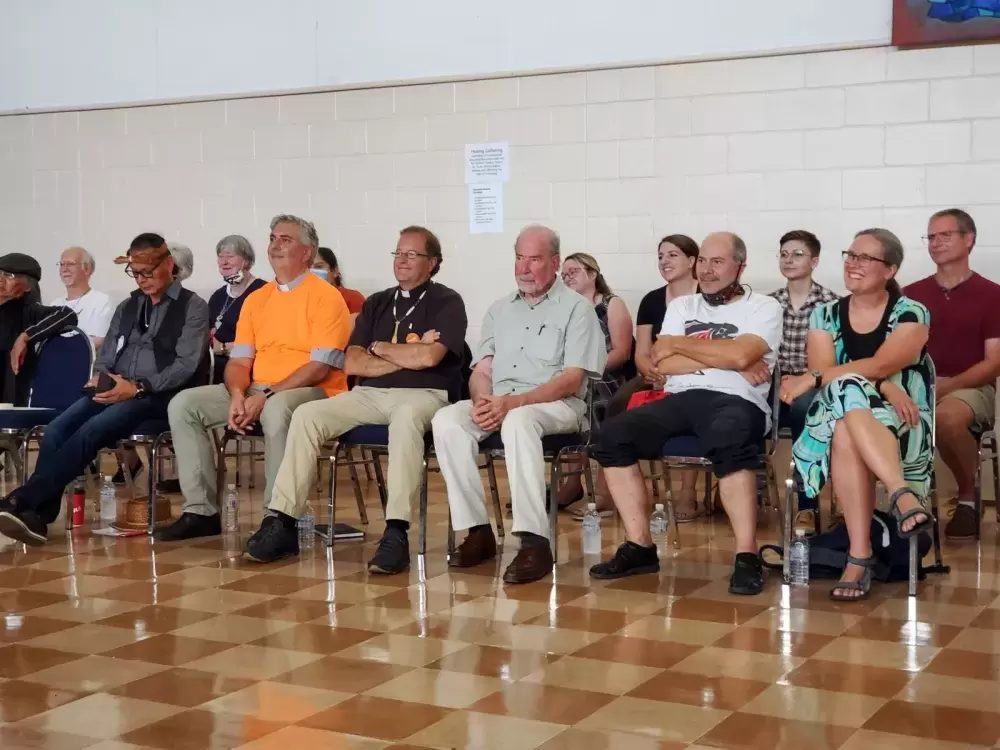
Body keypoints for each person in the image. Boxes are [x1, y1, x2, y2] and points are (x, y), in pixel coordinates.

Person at [243, 226, 467, 567]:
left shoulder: (447, 301)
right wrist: (405, 350)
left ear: (433, 263)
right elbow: (352, 361)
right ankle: (283, 521)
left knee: (406, 421)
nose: (402, 260)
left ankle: (396, 532)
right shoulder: (377, 302)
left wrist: (391, 352)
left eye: (412, 254)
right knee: (308, 415)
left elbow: (430, 359)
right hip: (368, 394)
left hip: (425, 394)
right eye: (398, 253)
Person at [588, 232, 782, 596]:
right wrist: (725, 355)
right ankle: (640, 546)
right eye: (703, 261)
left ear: (740, 266)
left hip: (738, 400)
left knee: (730, 439)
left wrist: (683, 346)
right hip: (679, 398)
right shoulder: (682, 307)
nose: (707, 271)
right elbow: (665, 361)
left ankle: (746, 555)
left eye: (717, 262)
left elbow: (742, 357)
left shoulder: (764, 307)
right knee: (612, 436)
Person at [0, 234, 210, 546]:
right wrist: (101, 377)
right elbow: (108, 354)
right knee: (57, 429)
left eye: (148, 272)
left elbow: (185, 365)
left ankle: (22, 500)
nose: (141, 280)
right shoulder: (128, 306)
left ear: (169, 265)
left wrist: (137, 387)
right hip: (116, 388)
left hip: (159, 396)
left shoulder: (193, 307)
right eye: (135, 273)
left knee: (92, 429)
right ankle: (37, 518)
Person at [155, 215, 351, 542]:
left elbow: (319, 367)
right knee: (185, 405)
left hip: (315, 391)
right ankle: (201, 511)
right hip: (259, 389)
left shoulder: (326, 296)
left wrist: (266, 395)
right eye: (273, 238)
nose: (275, 245)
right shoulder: (257, 299)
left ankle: (277, 520)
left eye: (285, 239)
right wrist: (236, 394)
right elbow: (240, 360)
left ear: (308, 251)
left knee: (277, 409)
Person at [432, 225, 606, 585]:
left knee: (519, 421)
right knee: (447, 419)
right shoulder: (499, 310)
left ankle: (533, 541)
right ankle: (477, 531)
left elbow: (572, 379)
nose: (524, 268)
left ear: (555, 262)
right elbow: (482, 369)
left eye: (535, 259)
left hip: (557, 405)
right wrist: (483, 400)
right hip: (504, 401)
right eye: (519, 258)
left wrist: (514, 403)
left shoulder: (577, 310)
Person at [782, 229, 932, 601]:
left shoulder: (911, 312)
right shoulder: (825, 314)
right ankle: (900, 494)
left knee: (846, 416)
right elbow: (834, 374)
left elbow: (882, 363)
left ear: (890, 269)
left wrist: (814, 377)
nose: (853, 263)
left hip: (903, 418)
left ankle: (859, 556)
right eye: (850, 254)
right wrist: (881, 384)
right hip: (846, 411)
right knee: (845, 400)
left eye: (865, 258)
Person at [905, 209, 1000, 540]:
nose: (935, 243)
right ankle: (900, 505)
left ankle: (967, 499)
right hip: (915, 387)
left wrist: (943, 388)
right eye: (931, 237)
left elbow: (993, 363)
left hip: (971, 387)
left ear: (969, 239)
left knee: (946, 418)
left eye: (944, 235)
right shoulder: (910, 295)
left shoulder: (992, 294)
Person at [604, 235, 702, 520]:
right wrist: (651, 371)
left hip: (692, 373)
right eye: (660, 256)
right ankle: (614, 491)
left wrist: (673, 372)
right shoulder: (651, 300)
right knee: (616, 405)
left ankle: (687, 493)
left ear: (692, 260)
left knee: (689, 402)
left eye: (672, 255)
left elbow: (704, 348)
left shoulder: (703, 298)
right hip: (655, 372)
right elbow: (642, 351)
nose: (664, 261)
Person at [769, 230, 839, 532]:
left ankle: (807, 505)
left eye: (797, 254)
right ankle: (750, 488)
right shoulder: (767, 304)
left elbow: (834, 362)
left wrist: (800, 381)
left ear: (815, 261)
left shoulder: (831, 304)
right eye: (784, 254)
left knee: (803, 407)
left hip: (813, 387)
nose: (789, 259)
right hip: (773, 385)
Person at [555, 252, 633, 515]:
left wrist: (586, 373)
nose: (567, 277)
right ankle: (571, 483)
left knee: (594, 397)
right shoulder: (562, 307)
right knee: (559, 396)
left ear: (593, 274)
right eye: (564, 273)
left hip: (606, 377)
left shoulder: (611, 303)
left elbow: (621, 351)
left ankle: (603, 493)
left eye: (574, 271)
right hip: (572, 376)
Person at [0, 253, 79, 407]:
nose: (1, 279)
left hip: (11, 396)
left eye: (9, 275)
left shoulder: (30, 311)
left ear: (28, 286)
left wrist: (26, 336)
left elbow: (67, 314)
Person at [207, 235, 267, 385]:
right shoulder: (218, 295)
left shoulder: (263, 292)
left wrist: (222, 348)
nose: (224, 262)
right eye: (220, 257)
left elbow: (264, 340)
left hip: (248, 371)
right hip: (216, 370)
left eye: (230, 256)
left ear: (246, 261)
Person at [49, 247, 113, 350]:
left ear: (87, 269)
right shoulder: (54, 305)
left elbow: (100, 340)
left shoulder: (102, 301)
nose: (64, 269)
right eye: (61, 264)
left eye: (70, 264)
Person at [314, 247, 365, 317]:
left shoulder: (352, 299)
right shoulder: (301, 301)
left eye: (318, 267)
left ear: (335, 271)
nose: (312, 272)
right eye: (307, 268)